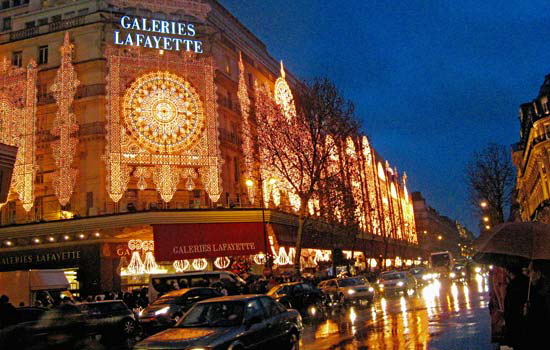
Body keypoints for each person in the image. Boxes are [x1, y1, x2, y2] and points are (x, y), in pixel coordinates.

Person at [523, 261, 550, 349]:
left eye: (530, 271)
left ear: (538, 273)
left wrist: (529, 312)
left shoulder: (542, 292)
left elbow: (541, 317)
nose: (528, 274)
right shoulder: (536, 289)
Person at [503, 265, 529, 349]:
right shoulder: (527, 281)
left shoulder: (513, 285)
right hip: (523, 317)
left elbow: (509, 304)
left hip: (515, 318)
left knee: (518, 342)